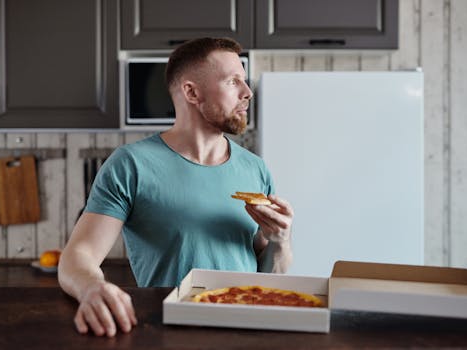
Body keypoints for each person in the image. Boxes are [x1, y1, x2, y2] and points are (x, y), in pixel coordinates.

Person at [58, 37, 294, 337]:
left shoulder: (255, 169)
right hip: (169, 332)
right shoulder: (131, 165)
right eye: (233, 81)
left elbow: (270, 276)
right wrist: (91, 288)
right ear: (192, 92)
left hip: (246, 332)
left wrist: (280, 240)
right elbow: (78, 256)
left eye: (244, 82)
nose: (247, 93)